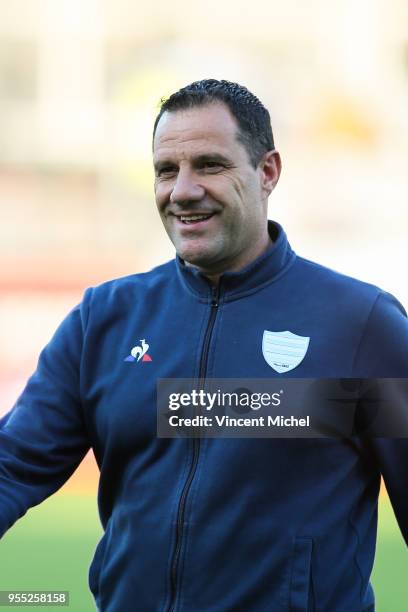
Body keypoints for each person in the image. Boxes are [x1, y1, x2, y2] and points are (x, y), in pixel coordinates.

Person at [1, 79, 407, 612]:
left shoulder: (361, 323)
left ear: (268, 172)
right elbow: (13, 464)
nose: (182, 190)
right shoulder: (105, 319)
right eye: (166, 170)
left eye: (210, 165)